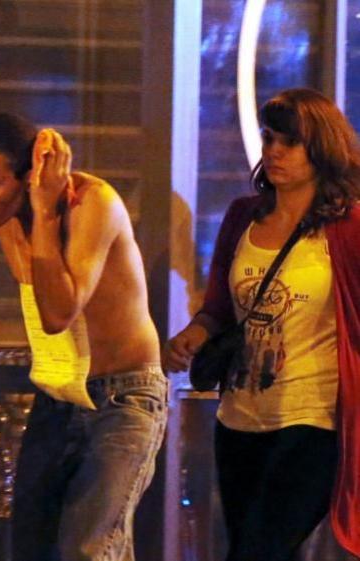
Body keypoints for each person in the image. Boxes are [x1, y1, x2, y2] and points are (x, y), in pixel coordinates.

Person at [0, 113, 166, 561]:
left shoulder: (91, 203)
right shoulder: (7, 212)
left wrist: (47, 213)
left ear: (30, 176)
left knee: (88, 548)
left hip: (122, 399)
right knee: (33, 546)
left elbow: (56, 312)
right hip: (59, 397)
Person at [164, 88, 360, 560]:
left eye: (288, 142)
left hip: (313, 419)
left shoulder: (348, 227)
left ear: (321, 149)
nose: (273, 151)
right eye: (269, 137)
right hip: (240, 417)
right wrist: (194, 334)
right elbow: (219, 307)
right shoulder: (242, 216)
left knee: (257, 551)